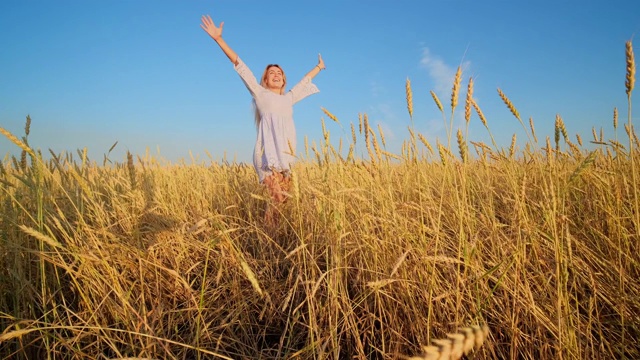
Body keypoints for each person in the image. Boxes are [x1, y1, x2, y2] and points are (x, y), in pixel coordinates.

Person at [200, 14, 325, 222]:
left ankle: (270, 241)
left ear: (283, 79)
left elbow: (305, 81)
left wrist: (319, 67)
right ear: (265, 80)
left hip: (286, 156)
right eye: (271, 73)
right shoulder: (260, 94)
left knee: (283, 200)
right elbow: (241, 66)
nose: (276, 74)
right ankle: (265, 243)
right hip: (267, 155)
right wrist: (219, 39)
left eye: (280, 73)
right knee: (276, 197)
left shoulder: (289, 98)